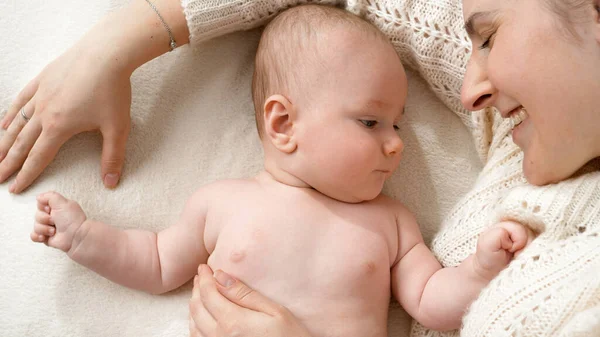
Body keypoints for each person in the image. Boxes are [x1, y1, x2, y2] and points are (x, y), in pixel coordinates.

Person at [6, 0, 600, 336]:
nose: (397, 145)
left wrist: (478, 269)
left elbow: (434, 302)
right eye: (372, 123)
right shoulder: (222, 203)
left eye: (397, 124)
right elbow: (158, 262)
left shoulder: (392, 224)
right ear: (283, 124)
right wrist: (85, 238)